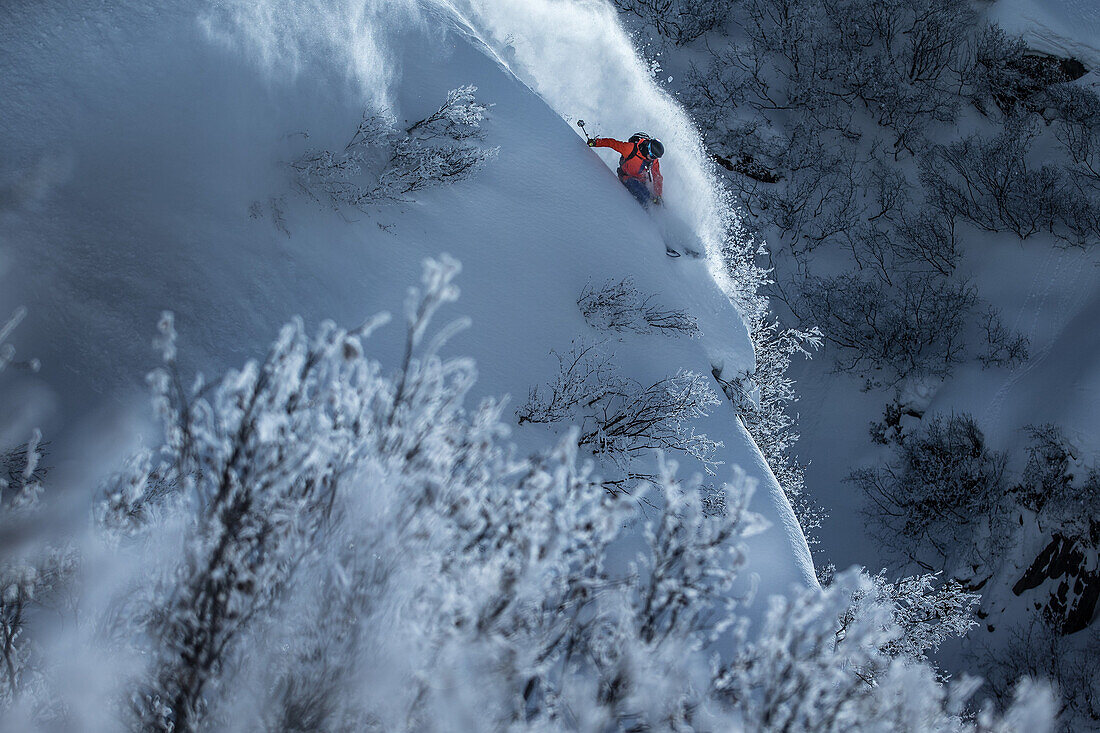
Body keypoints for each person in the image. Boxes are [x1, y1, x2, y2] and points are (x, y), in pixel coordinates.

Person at [588, 132, 665, 208]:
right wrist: (595, 143)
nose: (653, 159)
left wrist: (658, 195)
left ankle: (658, 207)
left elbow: (657, 176)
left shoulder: (653, 160)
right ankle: (645, 213)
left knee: (652, 198)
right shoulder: (630, 149)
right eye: (652, 156)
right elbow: (612, 143)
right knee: (644, 196)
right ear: (648, 149)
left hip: (641, 180)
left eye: (655, 157)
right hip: (626, 177)